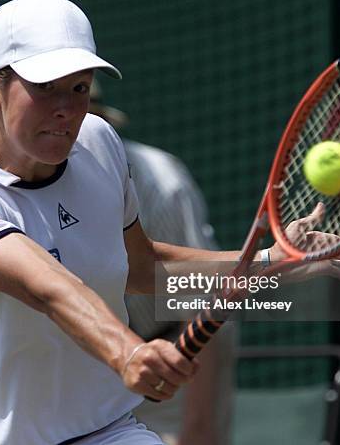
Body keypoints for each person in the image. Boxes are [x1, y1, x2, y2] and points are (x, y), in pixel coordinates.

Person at [0, 0, 340, 445]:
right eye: (44, 88)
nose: (66, 109)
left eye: (79, 87)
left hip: (104, 428)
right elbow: (51, 288)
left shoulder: (99, 143)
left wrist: (270, 263)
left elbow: (142, 267)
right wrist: (127, 352)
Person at [89, 79, 236, 445]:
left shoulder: (162, 185)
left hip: (180, 352)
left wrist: (197, 429)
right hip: (95, 364)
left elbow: (203, 308)